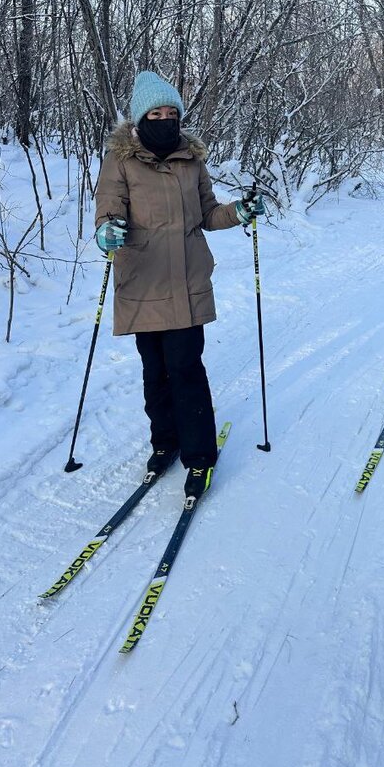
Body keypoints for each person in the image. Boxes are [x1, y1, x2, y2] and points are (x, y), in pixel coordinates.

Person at [94, 71, 264, 500]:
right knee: (155, 372)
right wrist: (106, 232)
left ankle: (200, 456)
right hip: (142, 282)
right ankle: (165, 443)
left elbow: (207, 213)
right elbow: (108, 210)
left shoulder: (192, 159)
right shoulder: (120, 161)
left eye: (172, 113)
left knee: (186, 369)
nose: (165, 119)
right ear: (140, 119)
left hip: (187, 284)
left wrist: (239, 212)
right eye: (157, 113)